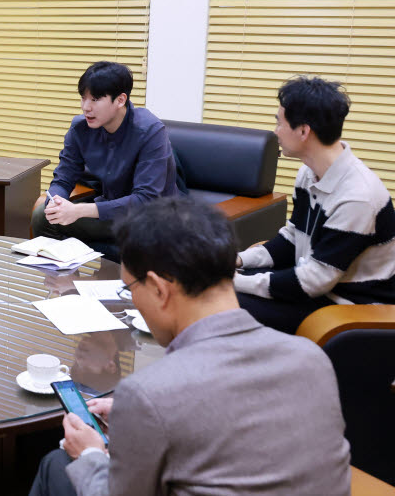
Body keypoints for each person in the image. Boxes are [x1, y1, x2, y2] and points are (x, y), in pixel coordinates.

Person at [29, 198, 350, 496]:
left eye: (130, 288)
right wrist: (141, 417)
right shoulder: (312, 358)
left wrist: (89, 453)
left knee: (58, 463)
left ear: (158, 289)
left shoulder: (148, 392)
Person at [234, 76, 395, 334]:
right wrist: (239, 261)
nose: (275, 131)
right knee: (217, 291)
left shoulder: (358, 196)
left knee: (224, 303)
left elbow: (313, 282)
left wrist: (235, 281)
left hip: (350, 311)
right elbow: (291, 240)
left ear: (303, 131)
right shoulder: (308, 174)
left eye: (279, 122)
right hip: (319, 288)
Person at [32, 61, 181, 254]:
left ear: (120, 100)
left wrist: (78, 211)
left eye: (94, 99)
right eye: (83, 98)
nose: (86, 107)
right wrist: (55, 201)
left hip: (152, 220)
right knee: (42, 216)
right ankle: (60, 280)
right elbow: (64, 176)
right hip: (110, 214)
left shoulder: (150, 131)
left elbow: (146, 199)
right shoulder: (80, 129)